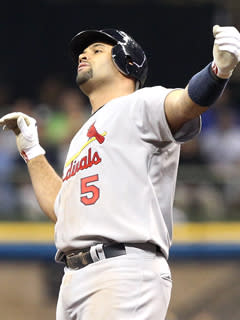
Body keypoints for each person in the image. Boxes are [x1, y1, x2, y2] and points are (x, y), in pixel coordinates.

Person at [0, 25, 240, 320]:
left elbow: (187, 103)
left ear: (128, 63)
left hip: (123, 268)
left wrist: (218, 72)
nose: (84, 55)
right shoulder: (81, 137)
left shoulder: (140, 104)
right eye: (83, 52)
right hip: (75, 277)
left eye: (97, 50)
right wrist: (33, 152)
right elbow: (63, 208)